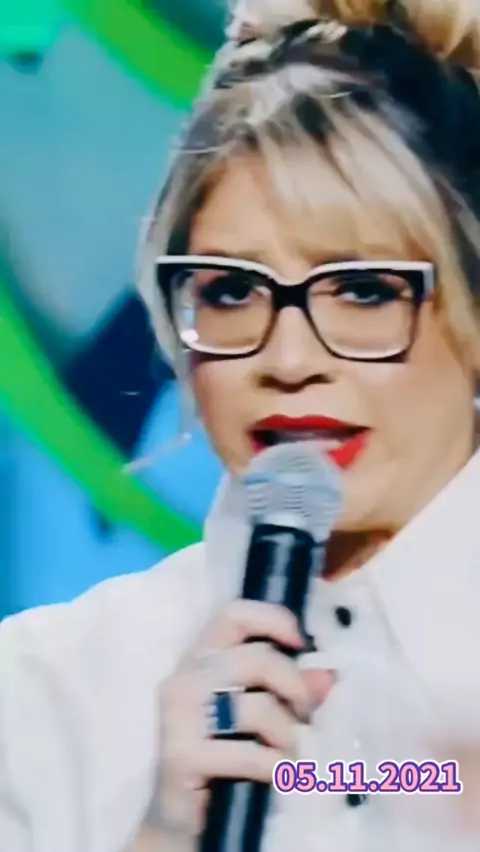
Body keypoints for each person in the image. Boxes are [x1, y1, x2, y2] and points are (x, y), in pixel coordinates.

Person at [2, 0, 480, 850]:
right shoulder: (43, 694)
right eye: (231, 292)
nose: (289, 359)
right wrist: (162, 833)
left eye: (362, 290)